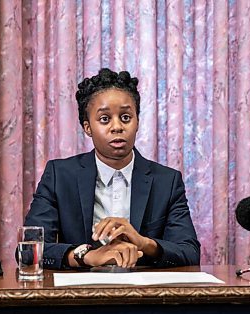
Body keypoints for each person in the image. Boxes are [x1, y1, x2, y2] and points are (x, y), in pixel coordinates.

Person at [24, 68, 200, 269]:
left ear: (137, 122)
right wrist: (87, 256)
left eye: (125, 117)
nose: (117, 127)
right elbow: (30, 249)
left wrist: (144, 243)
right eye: (105, 119)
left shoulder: (166, 181)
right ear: (87, 127)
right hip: (78, 296)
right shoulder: (59, 176)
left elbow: (190, 252)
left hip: (147, 295)